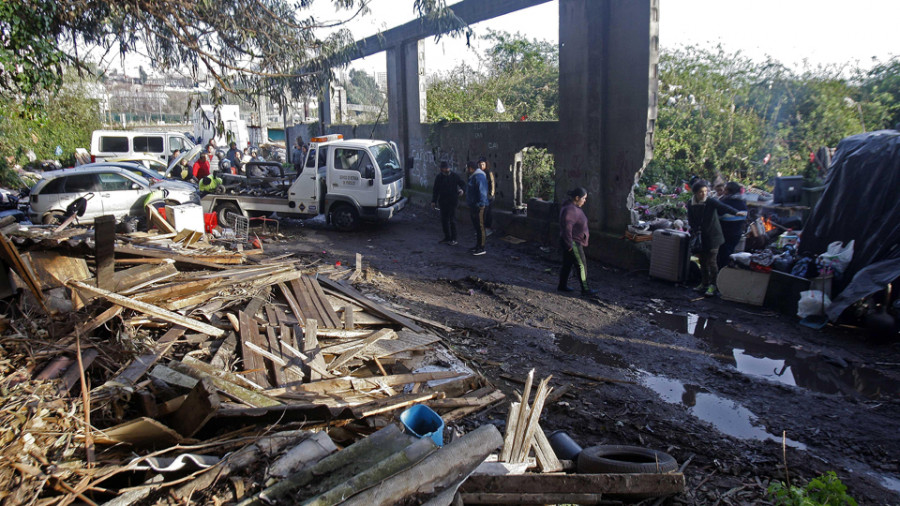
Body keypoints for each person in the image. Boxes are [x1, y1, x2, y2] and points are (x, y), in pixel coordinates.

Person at [688, 180, 746, 296]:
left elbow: (723, 207)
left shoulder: (711, 201)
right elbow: (691, 219)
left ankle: (713, 285)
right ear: (695, 193)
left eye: (705, 191)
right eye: (700, 192)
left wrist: (736, 213)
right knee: (702, 261)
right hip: (701, 237)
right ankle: (704, 283)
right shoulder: (691, 203)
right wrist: (695, 231)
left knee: (712, 261)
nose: (704, 194)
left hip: (714, 236)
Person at [558, 187, 598, 297]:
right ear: (577, 198)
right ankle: (585, 289)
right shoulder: (570, 210)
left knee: (567, 263)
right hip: (573, 242)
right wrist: (569, 244)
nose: (585, 201)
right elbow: (567, 228)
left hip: (571, 240)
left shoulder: (572, 207)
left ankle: (562, 285)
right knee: (581, 264)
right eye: (584, 198)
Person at [431, 161, 465, 245]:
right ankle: (447, 237)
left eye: (447, 168)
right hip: (443, 201)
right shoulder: (439, 177)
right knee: (444, 220)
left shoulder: (454, 176)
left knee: (452, 220)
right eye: (445, 168)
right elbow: (435, 190)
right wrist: (433, 201)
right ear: (441, 169)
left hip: (452, 201)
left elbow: (463, 184)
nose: (447, 169)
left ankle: (454, 238)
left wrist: (462, 190)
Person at [717, 181, 748, 269]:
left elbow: (717, 216)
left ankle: (720, 276)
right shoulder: (743, 202)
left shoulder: (725, 201)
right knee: (729, 254)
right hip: (736, 234)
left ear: (728, 191)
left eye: (725, 190)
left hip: (725, 234)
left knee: (722, 257)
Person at [465, 160, 489, 256]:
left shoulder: (479, 177)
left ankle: (481, 247)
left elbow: (482, 191)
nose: (466, 170)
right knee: (477, 227)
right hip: (475, 205)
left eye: (467, 168)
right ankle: (478, 246)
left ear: (471, 168)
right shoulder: (474, 177)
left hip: (479, 206)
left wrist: (481, 205)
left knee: (480, 226)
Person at [479, 156, 495, 235]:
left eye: (483, 164)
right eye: (480, 164)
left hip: (488, 197)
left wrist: (490, 195)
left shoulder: (489, 173)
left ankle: (488, 229)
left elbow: (492, 184)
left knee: (488, 213)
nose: (481, 166)